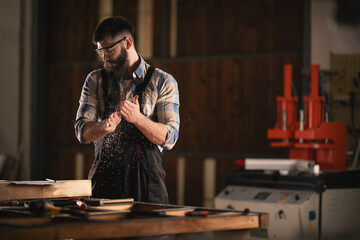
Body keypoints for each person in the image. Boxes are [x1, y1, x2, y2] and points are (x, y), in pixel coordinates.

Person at [75, 16, 180, 204]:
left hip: (146, 185)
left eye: (109, 50)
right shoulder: (95, 80)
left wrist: (138, 119)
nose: (105, 57)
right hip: (104, 184)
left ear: (128, 42)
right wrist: (104, 127)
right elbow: (82, 132)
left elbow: (169, 138)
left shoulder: (163, 81)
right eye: (100, 51)